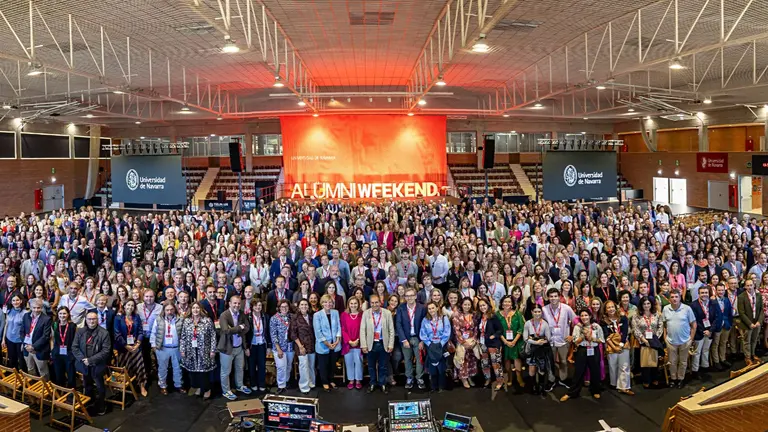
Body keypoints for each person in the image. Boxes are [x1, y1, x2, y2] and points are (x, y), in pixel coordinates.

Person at [560, 308, 604, 402]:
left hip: (593, 349)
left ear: (590, 316)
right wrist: (583, 336)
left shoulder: (596, 326)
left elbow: (601, 340)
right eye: (582, 315)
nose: (584, 317)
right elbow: (575, 342)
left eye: (586, 315)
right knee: (578, 372)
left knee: (595, 371)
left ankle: (595, 390)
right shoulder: (577, 327)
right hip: (582, 350)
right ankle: (572, 392)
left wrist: (592, 338)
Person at [72, 311, 112, 415]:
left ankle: (101, 405)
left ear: (97, 320)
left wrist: (91, 360)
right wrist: (83, 359)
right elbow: (74, 347)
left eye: (94, 319)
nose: (91, 321)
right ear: (86, 320)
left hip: (97, 364)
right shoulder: (80, 331)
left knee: (100, 387)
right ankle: (89, 403)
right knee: (87, 385)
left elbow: (106, 351)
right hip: (84, 364)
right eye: (89, 319)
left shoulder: (104, 333)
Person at [180, 302, 218, 399]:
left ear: (201, 309)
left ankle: (207, 389)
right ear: (191, 310)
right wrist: (182, 349)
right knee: (193, 372)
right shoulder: (187, 321)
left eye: (197, 308)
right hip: (190, 351)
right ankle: (197, 387)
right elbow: (183, 336)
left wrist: (213, 350)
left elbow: (213, 336)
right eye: (193, 308)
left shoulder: (207, 321)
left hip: (204, 350)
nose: (195, 310)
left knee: (203, 372)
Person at [218, 295, 251, 400]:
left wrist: (234, 329)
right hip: (227, 349)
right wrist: (239, 328)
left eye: (238, 303)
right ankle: (226, 391)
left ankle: (240, 385)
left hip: (239, 347)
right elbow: (225, 331)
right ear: (230, 303)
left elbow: (247, 328)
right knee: (226, 371)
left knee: (240, 368)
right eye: (235, 303)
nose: (237, 305)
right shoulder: (224, 315)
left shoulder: (241, 313)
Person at [542, 288, 576, 390]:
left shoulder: (566, 308)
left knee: (564, 361)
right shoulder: (544, 309)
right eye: (551, 296)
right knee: (550, 362)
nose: (553, 298)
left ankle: (563, 379)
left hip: (563, 339)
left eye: (555, 296)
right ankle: (551, 380)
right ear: (548, 297)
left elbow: (576, 321)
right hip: (550, 340)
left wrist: (573, 335)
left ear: (559, 297)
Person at [113, 298, 148, 397]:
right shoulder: (118, 318)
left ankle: (142, 385)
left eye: (132, 305)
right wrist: (126, 345)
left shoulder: (136, 317)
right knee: (123, 367)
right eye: (128, 305)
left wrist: (137, 344)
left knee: (139, 366)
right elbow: (117, 334)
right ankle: (124, 386)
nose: (130, 307)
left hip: (135, 347)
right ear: (124, 306)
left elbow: (141, 332)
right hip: (123, 348)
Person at [361, 294, 395, 394]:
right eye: (372, 303)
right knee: (371, 366)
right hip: (370, 343)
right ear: (370, 303)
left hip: (383, 342)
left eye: (376, 302)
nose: (375, 304)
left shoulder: (387, 313)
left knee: (383, 366)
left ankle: (382, 383)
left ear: (380, 302)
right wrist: (363, 345)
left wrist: (391, 344)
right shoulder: (366, 314)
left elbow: (391, 330)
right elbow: (362, 330)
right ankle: (372, 383)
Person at [662, 290, 696, 388]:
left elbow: (693, 324)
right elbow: (664, 325)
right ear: (669, 299)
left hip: (685, 341)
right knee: (672, 362)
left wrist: (691, 339)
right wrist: (665, 338)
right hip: (671, 341)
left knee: (683, 361)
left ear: (680, 298)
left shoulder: (687, 309)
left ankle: (681, 378)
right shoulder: (665, 309)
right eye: (672, 297)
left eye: (676, 297)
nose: (674, 299)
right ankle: (673, 378)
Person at [395, 287, 426, 390]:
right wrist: (404, 340)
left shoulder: (422, 308)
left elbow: (425, 324)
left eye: (411, 295)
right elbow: (398, 324)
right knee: (407, 359)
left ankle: (419, 378)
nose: (409, 298)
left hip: (418, 338)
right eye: (407, 296)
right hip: (406, 338)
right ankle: (409, 378)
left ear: (415, 296)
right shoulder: (401, 308)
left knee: (419, 359)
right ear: (405, 297)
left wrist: (422, 340)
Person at [601, 300, 633, 395]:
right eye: (608, 308)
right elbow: (606, 336)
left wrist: (621, 345)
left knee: (624, 366)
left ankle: (624, 387)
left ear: (615, 308)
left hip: (623, 344)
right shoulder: (603, 322)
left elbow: (625, 332)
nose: (611, 309)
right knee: (612, 365)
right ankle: (614, 384)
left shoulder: (623, 318)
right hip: (611, 345)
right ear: (605, 310)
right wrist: (614, 347)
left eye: (612, 307)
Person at [150, 302, 183, 395]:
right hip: (162, 348)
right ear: (164, 311)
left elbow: (183, 334)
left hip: (176, 348)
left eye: (171, 310)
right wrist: (154, 346)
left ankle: (178, 385)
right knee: (162, 368)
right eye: (167, 310)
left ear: (174, 310)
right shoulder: (158, 319)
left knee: (178, 368)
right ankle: (163, 386)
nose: (169, 312)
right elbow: (153, 333)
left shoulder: (180, 319)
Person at [631, 296, 663, 388]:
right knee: (645, 362)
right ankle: (646, 380)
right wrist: (643, 339)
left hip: (655, 340)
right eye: (644, 304)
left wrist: (655, 338)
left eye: (648, 303)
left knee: (654, 360)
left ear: (651, 304)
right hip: (642, 341)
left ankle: (655, 378)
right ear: (641, 305)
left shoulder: (657, 314)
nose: (646, 305)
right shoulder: (636, 315)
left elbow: (660, 326)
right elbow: (635, 329)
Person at [419, 301, 451, 393]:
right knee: (432, 368)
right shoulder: (425, 320)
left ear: (437, 308)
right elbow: (423, 333)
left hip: (441, 345)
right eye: (429, 309)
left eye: (433, 308)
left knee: (441, 368)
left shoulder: (444, 319)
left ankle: (441, 386)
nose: (431, 310)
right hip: (430, 345)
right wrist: (429, 344)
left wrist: (440, 343)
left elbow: (447, 332)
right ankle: (433, 387)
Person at [690, 284, 721, 379]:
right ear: (698, 294)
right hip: (699, 332)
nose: (704, 294)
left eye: (706, 292)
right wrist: (704, 330)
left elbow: (717, 318)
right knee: (697, 352)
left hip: (710, 331)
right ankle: (695, 371)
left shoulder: (713, 303)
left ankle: (705, 367)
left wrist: (710, 330)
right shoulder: (693, 305)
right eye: (702, 293)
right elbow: (694, 320)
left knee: (706, 350)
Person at [314, 294, 342, 392]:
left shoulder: (335, 312)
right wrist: (327, 344)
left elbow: (339, 326)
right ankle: (325, 382)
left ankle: (331, 380)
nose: (328, 304)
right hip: (323, 345)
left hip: (335, 344)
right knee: (323, 365)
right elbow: (318, 332)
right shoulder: (317, 315)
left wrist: (337, 340)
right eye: (325, 302)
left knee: (332, 364)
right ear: (322, 303)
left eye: (330, 302)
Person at [523, 304, 553, 395]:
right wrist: (536, 342)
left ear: (541, 312)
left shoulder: (544, 323)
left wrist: (540, 341)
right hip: (532, 349)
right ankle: (532, 386)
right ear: (532, 312)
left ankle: (541, 386)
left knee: (542, 369)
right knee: (531, 369)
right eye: (535, 311)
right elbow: (525, 338)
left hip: (542, 350)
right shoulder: (528, 323)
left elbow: (548, 338)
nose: (537, 313)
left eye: (539, 311)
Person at [476, 297, 504, 391]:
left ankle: (500, 381)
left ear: (488, 305)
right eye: (480, 306)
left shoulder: (493, 316)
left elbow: (500, 330)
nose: (482, 307)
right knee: (484, 364)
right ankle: (487, 380)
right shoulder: (479, 317)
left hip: (493, 343)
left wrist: (494, 336)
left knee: (496, 363)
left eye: (484, 305)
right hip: (482, 343)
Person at [22, 298, 52, 379]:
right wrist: (26, 345)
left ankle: (46, 389)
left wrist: (33, 347)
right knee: (30, 369)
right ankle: (33, 386)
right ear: (31, 307)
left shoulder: (47, 319)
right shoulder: (26, 316)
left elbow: (45, 336)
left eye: (38, 307)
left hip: (39, 350)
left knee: (43, 371)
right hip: (27, 348)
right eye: (34, 307)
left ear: (41, 307)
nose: (36, 310)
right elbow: (22, 332)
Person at [290, 299, 316, 395]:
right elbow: (293, 334)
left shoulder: (311, 317)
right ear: (299, 306)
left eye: (306, 304)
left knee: (311, 366)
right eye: (302, 304)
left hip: (311, 345)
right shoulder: (295, 318)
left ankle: (311, 382)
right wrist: (300, 346)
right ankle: (304, 386)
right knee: (303, 366)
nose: (304, 306)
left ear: (308, 306)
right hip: (301, 345)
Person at [452, 297, 479, 388]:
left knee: (471, 360)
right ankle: (464, 378)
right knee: (462, 360)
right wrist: (463, 342)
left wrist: (474, 339)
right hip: (462, 341)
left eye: (468, 304)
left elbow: (476, 328)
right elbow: (456, 330)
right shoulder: (457, 316)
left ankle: (470, 377)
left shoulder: (474, 315)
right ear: (461, 305)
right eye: (465, 304)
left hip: (471, 341)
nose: (467, 306)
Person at [736, 278, 763, 366]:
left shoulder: (758, 295)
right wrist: (749, 323)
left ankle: (753, 354)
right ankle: (747, 357)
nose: (749, 287)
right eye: (747, 285)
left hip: (757, 322)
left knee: (754, 339)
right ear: (745, 286)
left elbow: (762, 310)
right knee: (746, 341)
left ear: (754, 285)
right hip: (747, 323)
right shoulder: (741, 297)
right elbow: (741, 313)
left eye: (751, 285)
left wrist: (759, 321)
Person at [270, 300, 294, 394]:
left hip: (290, 346)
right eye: (282, 307)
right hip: (279, 347)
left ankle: (286, 381)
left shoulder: (291, 317)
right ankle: (280, 385)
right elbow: (273, 334)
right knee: (281, 366)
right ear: (279, 308)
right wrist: (278, 348)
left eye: (286, 307)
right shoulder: (274, 318)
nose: (284, 308)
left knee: (288, 365)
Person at [245, 298, 269, 393]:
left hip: (262, 344)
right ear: (252, 307)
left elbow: (267, 332)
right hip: (252, 345)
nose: (258, 307)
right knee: (251, 366)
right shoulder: (248, 317)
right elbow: (245, 334)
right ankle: (253, 383)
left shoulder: (265, 317)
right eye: (256, 305)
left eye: (259, 305)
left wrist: (269, 346)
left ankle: (262, 384)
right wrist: (246, 347)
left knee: (262, 365)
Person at [341, 296, 364, 389]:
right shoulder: (343, 315)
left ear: (358, 304)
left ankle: (358, 380)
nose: (353, 305)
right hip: (348, 343)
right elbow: (343, 329)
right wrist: (349, 341)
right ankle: (351, 380)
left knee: (358, 362)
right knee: (349, 362)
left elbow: (364, 329)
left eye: (355, 303)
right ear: (348, 304)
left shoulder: (362, 314)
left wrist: (358, 340)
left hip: (359, 343)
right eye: (351, 303)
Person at [710, 283, 733, 371]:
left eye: (722, 290)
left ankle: (723, 359)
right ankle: (716, 361)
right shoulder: (712, 301)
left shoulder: (727, 300)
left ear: (724, 290)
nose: (721, 292)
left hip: (726, 325)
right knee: (715, 344)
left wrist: (730, 323)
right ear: (715, 291)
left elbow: (729, 313)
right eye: (719, 290)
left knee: (723, 343)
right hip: (717, 326)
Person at [2, 293, 25, 369]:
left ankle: (21, 377)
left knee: (21, 360)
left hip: (19, 340)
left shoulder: (25, 313)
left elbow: (26, 329)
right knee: (12, 359)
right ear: (11, 302)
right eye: (13, 300)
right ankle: (14, 375)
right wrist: (3, 339)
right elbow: (6, 325)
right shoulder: (9, 311)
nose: (15, 302)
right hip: (9, 339)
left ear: (21, 301)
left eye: (17, 300)